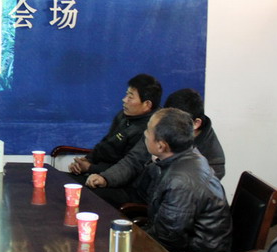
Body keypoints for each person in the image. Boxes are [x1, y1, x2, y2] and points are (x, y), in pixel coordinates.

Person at [86, 88, 225, 207]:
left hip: (155, 204)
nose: (166, 124)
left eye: (175, 121)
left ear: (196, 123)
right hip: (135, 187)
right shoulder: (160, 128)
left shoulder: (213, 160)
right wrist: (106, 178)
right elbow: (134, 160)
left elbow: (177, 204)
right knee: (87, 194)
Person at [137, 108, 232, 252]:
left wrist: (133, 239)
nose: (145, 133)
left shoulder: (180, 183)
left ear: (161, 146)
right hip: (178, 246)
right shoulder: (189, 155)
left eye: (148, 131)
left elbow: (168, 240)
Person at [67, 73, 162, 179]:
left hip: (117, 180)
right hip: (98, 171)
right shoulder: (123, 116)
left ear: (147, 104)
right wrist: (86, 160)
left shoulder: (151, 129)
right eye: (126, 95)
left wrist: (90, 168)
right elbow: (106, 142)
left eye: (130, 97)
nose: (124, 100)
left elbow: (128, 167)